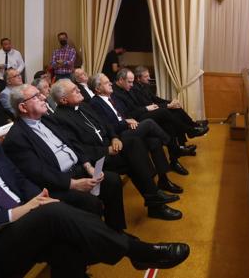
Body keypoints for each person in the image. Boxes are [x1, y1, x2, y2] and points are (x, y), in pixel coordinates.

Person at [0, 103, 190, 278]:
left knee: (63, 240)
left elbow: (18, 180)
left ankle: (129, 252)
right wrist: (18, 212)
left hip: (23, 221)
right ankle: (138, 251)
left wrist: (37, 197)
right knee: (53, 215)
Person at [52, 79, 183, 221]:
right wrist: (106, 150)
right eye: (74, 90)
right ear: (64, 100)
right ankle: (155, 199)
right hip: (97, 160)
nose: (79, 90)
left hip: (111, 147)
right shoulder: (60, 119)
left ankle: (155, 199)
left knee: (134, 143)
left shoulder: (84, 106)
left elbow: (106, 124)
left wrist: (114, 138)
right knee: (135, 157)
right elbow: (78, 149)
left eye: (77, 88)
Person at [3, 84, 127, 231]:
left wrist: (88, 166)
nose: (44, 97)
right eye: (36, 96)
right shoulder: (16, 138)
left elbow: (72, 143)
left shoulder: (48, 119)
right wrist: (73, 184)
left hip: (79, 169)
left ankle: (117, 231)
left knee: (112, 180)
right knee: (91, 202)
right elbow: (39, 173)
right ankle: (100, 239)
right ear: (23, 107)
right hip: (58, 183)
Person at [88, 73, 185, 194]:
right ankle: (172, 145)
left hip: (128, 129)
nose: (111, 84)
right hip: (119, 136)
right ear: (97, 88)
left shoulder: (112, 98)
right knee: (149, 123)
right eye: (107, 83)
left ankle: (163, 180)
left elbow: (125, 114)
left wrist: (130, 120)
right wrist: (126, 123)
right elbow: (107, 127)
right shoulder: (95, 104)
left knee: (154, 142)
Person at [133, 66, 207, 151]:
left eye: (148, 76)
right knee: (172, 116)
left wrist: (170, 102)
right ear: (138, 78)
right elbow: (148, 105)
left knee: (176, 109)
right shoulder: (135, 89)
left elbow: (156, 99)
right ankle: (191, 130)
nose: (149, 78)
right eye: (146, 76)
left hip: (154, 110)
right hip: (146, 114)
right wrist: (168, 105)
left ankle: (192, 129)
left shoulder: (145, 86)